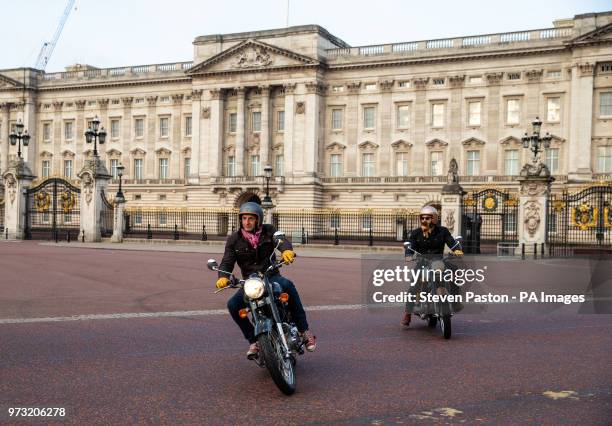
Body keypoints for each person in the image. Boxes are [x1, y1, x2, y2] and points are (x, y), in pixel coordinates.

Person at [215, 202, 317, 358]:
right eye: (244, 218)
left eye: (251, 218)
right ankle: (253, 340)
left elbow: (280, 240)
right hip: (251, 282)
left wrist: (286, 250)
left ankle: (304, 331)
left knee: (288, 286)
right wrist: (223, 277)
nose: (247, 222)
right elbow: (227, 261)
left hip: (271, 276)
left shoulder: (269, 231)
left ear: (258, 220)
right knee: (233, 305)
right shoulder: (234, 239)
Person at [401, 205, 464, 327]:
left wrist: (457, 249)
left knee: (454, 272)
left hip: (439, 261)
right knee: (414, 285)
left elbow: (451, 241)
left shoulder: (443, 231)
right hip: (423, 262)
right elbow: (411, 245)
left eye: (428, 218)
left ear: (434, 219)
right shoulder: (416, 233)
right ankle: (407, 313)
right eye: (422, 218)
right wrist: (408, 254)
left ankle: (455, 301)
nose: (424, 220)